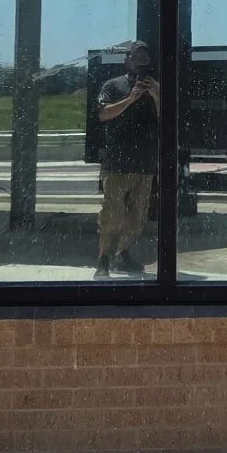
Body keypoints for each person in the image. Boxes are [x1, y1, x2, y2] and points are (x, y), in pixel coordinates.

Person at [94, 40, 159, 278]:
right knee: (112, 213)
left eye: (145, 57)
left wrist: (156, 95)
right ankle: (103, 259)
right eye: (136, 56)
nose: (140, 61)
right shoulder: (113, 85)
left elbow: (168, 119)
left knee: (137, 216)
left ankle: (123, 253)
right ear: (127, 60)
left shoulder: (156, 88)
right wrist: (131, 98)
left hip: (145, 164)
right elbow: (102, 114)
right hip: (117, 163)